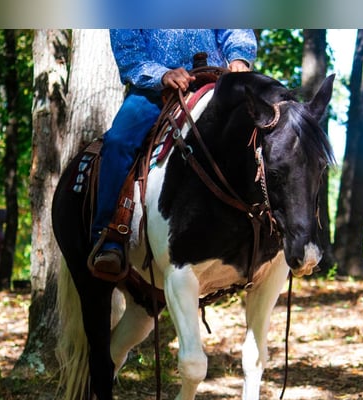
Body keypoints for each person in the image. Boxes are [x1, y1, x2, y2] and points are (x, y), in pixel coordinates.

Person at [90, 29, 258, 278]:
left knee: (266, 128)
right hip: (154, 93)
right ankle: (110, 235)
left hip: (215, 83)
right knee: (118, 142)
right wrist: (163, 74)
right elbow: (129, 52)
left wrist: (239, 58)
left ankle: (272, 228)